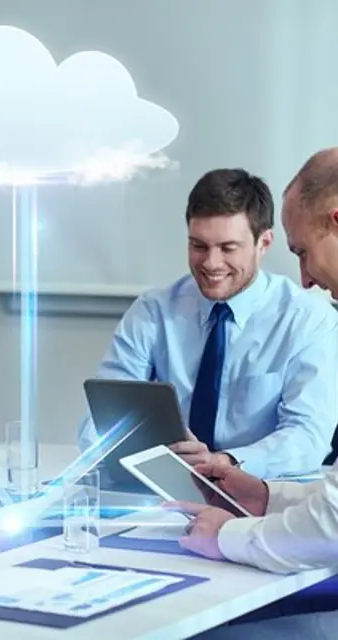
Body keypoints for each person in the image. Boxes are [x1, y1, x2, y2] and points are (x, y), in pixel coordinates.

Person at [170, 148, 338, 639]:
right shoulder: (157, 307)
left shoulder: (308, 319)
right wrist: (266, 495)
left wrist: (229, 536)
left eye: (303, 252)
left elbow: (334, 523)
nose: (304, 278)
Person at [78, 168, 338, 479]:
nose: (211, 264)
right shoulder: (153, 311)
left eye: (228, 248)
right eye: (199, 246)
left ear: (263, 243)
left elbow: (308, 438)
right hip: (166, 491)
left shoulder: (308, 318)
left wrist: (225, 462)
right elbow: (99, 420)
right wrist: (137, 458)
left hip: (261, 496)